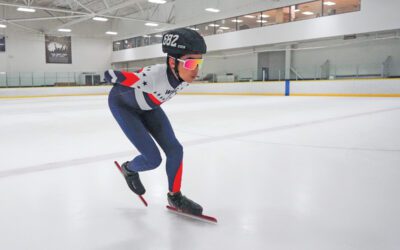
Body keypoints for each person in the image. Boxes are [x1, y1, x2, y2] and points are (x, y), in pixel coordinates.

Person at [105, 28, 207, 215]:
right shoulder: (154, 76)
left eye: (199, 63)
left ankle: (175, 196)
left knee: (176, 150)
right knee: (153, 159)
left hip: (149, 107)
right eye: (191, 63)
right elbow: (127, 77)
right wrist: (112, 76)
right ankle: (129, 169)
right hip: (124, 107)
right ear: (171, 62)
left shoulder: (183, 77)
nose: (196, 70)